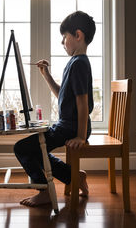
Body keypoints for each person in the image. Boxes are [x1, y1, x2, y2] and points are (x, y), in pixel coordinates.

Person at [14, 11, 95, 207]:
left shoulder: (79, 64)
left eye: (64, 37)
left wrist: (81, 137)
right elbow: (63, 97)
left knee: (22, 148)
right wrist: (46, 74)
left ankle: (44, 192)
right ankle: (73, 176)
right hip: (68, 125)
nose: (62, 42)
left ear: (78, 35)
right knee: (35, 150)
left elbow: (83, 103)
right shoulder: (74, 63)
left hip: (72, 128)